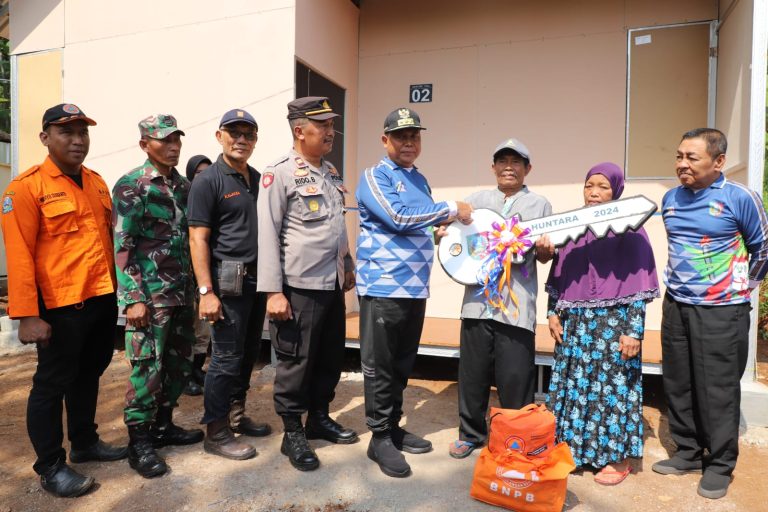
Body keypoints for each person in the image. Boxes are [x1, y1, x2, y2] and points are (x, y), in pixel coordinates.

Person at [0, 103, 127, 497]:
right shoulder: (25, 187)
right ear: (45, 138)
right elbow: (18, 254)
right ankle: (51, 466)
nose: (77, 140)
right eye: (66, 132)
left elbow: (104, 241)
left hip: (100, 300)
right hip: (58, 309)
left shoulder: (96, 182)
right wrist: (26, 315)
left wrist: (115, 294)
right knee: (50, 385)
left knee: (89, 374)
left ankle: (86, 442)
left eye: (82, 132)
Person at [354, 107, 473, 478]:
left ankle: (392, 427)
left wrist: (438, 230)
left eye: (415, 136)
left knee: (403, 363)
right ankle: (378, 437)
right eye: (401, 136)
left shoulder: (419, 180)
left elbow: (419, 221)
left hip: (414, 288)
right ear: (385, 140)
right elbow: (398, 217)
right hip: (383, 286)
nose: (409, 142)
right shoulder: (375, 176)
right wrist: (452, 209)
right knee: (381, 365)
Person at [652, 128, 768, 499]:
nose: (682, 164)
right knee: (678, 381)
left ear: (718, 162)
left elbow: (763, 250)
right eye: (679, 156)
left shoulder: (740, 197)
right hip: (677, 306)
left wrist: (740, 291)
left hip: (722, 312)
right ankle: (687, 451)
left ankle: (719, 464)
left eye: (692, 158)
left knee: (716, 389)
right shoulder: (670, 199)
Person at [258, 96, 357, 472]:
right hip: (297, 287)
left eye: (332, 125)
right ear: (300, 131)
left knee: (329, 357)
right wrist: (273, 292)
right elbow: (267, 234)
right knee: (296, 362)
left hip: (330, 283)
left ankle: (319, 418)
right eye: (323, 126)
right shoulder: (279, 173)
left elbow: (335, 224)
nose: (331, 132)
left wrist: (346, 262)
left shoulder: (329, 171)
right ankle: (292, 432)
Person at [545, 162, 659, 485]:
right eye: (589, 185)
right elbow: (558, 273)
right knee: (575, 386)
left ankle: (615, 458)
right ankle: (575, 452)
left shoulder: (632, 228)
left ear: (616, 190)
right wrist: (552, 312)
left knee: (613, 388)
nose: (594, 192)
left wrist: (634, 331)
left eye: (603, 187)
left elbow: (639, 284)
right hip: (576, 323)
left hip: (615, 324)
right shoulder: (574, 225)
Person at [445, 138, 554, 459]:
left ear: (528, 169)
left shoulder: (540, 205)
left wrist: (547, 252)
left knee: (516, 378)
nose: (509, 167)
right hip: (477, 305)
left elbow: (545, 255)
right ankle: (470, 434)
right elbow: (452, 240)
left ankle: (515, 439)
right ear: (493, 167)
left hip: (517, 307)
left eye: (517, 161)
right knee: (472, 375)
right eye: (502, 161)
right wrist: (442, 233)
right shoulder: (474, 202)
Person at [112, 114, 204, 478]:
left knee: (180, 366)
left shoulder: (182, 186)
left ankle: (164, 426)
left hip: (181, 295)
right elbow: (123, 244)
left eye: (177, 139)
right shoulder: (132, 186)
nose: (173, 146)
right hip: (150, 298)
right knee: (147, 368)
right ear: (144, 144)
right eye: (164, 140)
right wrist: (133, 298)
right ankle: (139, 442)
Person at [188, 109, 271, 461]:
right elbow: (197, 239)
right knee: (224, 357)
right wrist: (206, 292)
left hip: (256, 280)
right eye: (234, 133)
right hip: (226, 279)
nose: (241, 140)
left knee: (248, 353)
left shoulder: (255, 178)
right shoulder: (209, 181)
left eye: (248, 134)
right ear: (219, 136)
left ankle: (236, 415)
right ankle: (217, 431)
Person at [183, 155, 213, 397]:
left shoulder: (212, 200)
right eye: (198, 173)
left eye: (207, 172)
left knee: (203, 328)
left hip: (205, 275)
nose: (203, 177)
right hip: (183, 276)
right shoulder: (182, 199)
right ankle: (184, 376)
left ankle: (197, 370)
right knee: (187, 328)